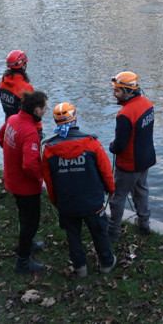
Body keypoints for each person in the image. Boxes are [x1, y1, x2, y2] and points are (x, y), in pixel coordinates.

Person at [42, 102, 116, 277]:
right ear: (74, 118)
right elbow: (105, 170)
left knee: (73, 234)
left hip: (66, 203)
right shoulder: (91, 143)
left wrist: (55, 200)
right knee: (99, 232)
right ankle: (106, 263)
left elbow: (49, 180)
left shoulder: (49, 149)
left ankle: (80, 267)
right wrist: (111, 189)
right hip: (92, 202)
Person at [1, 90, 48, 273]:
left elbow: (1, 138)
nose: (46, 111)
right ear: (36, 110)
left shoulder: (12, 119)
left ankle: (27, 243)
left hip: (12, 180)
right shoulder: (30, 132)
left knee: (23, 215)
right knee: (31, 221)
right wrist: (40, 179)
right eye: (44, 108)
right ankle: (23, 261)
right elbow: (30, 165)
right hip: (26, 187)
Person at [107, 72, 155, 242]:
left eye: (118, 91)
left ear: (128, 92)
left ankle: (112, 231)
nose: (114, 94)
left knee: (118, 197)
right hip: (145, 159)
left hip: (129, 164)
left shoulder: (125, 115)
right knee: (142, 191)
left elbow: (119, 145)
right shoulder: (148, 105)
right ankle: (144, 223)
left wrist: (112, 146)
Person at [0, 50, 33, 121]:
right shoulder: (26, 88)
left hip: (8, 122)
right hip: (22, 125)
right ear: (23, 66)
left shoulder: (2, 82)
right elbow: (34, 112)